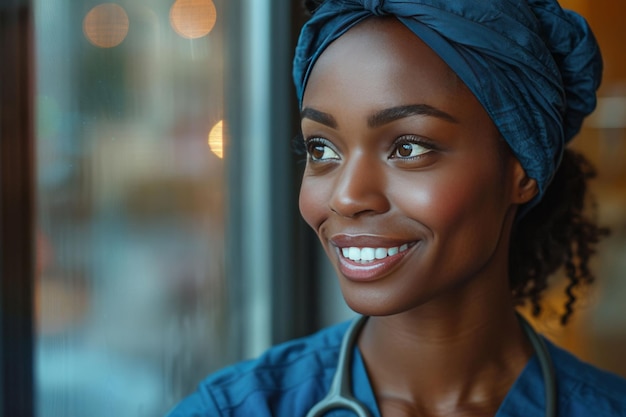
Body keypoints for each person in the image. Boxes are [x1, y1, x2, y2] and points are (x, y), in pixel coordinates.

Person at [167, 0, 626, 416]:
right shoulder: (231, 410)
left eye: (408, 148)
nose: (346, 197)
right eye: (322, 149)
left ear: (521, 170)